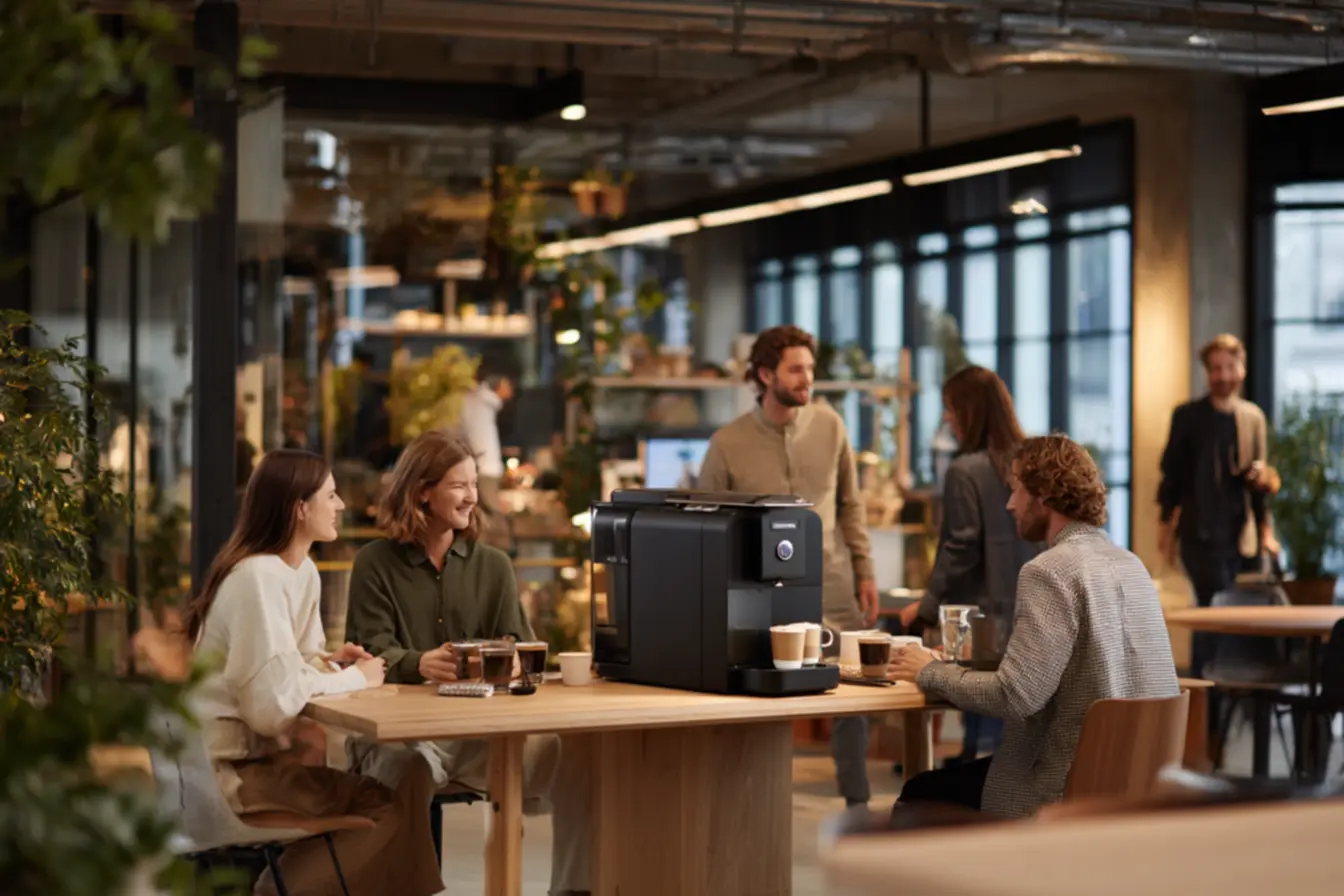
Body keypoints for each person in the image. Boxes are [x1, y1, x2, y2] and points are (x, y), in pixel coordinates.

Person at [184, 449, 444, 896]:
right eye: (331, 494)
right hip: (233, 776)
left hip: (250, 764)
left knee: (389, 794)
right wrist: (354, 679)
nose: (341, 505)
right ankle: (272, 891)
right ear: (299, 509)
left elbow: (289, 666)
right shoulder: (257, 578)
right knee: (383, 805)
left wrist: (327, 663)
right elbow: (270, 706)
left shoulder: (300, 571)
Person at [344, 431, 591, 896]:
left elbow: (522, 647)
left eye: (474, 484)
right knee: (405, 769)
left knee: (576, 754)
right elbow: (369, 653)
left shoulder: (493, 565)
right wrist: (418, 663)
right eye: (459, 485)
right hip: (405, 736)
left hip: (481, 736)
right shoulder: (373, 564)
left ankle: (575, 888)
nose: (473, 497)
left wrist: (511, 662)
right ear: (422, 490)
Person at [886, 435, 1179, 819]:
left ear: (1044, 496)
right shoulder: (1132, 566)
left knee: (917, 794)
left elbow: (1015, 696)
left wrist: (930, 671)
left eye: (1016, 490)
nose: (1010, 504)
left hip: (1061, 788)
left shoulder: (1049, 571)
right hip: (1133, 789)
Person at [697, 325, 879, 808]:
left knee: (849, 690)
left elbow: (851, 505)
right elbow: (703, 525)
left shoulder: (831, 426)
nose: (807, 379)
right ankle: (748, 803)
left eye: (810, 369)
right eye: (796, 369)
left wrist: (865, 571)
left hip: (832, 580)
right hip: (758, 592)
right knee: (756, 691)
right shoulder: (727, 443)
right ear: (764, 375)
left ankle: (857, 803)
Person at [898, 366, 1041, 763]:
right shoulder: (1030, 462)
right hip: (1027, 610)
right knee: (1006, 729)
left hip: (979, 619)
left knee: (980, 727)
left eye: (951, 408)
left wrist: (926, 607)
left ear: (970, 410)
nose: (947, 418)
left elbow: (959, 548)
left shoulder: (965, 470)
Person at [1158, 333, 1280, 680]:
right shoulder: (1187, 416)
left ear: (1242, 368)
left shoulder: (1252, 418)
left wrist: (1267, 533)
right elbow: (1172, 478)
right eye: (1216, 368)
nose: (1223, 375)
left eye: (1230, 367)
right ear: (1207, 372)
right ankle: (1205, 697)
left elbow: (1261, 488)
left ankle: (1227, 693)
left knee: (1235, 619)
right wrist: (1164, 531)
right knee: (1209, 616)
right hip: (1199, 535)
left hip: (1241, 538)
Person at [457, 357, 515, 543]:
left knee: (481, 514)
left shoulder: (472, 400)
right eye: (507, 385)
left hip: (482, 465)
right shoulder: (479, 400)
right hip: (485, 467)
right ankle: (502, 552)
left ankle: (491, 555)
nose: (510, 392)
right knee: (490, 514)